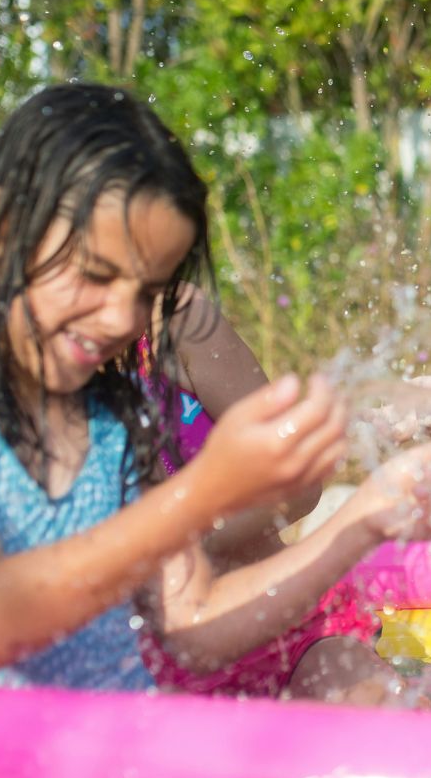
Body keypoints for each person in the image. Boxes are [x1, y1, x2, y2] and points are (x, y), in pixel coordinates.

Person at [0, 83, 431, 690]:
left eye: (147, 291)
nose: (123, 317)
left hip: (102, 764)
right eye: (94, 273)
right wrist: (205, 490)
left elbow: (191, 625)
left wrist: (361, 519)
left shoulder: (108, 421)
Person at [132, 296, 406, 702]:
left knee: (386, 728)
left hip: (285, 629)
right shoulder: (31, 386)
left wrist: (177, 552)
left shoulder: (176, 322)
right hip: (142, 668)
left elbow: (297, 480)